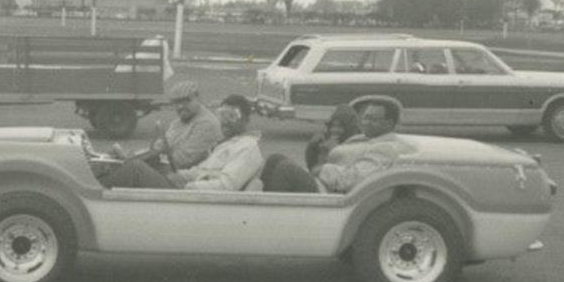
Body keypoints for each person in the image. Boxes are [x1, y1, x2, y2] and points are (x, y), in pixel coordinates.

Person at [101, 94, 263, 191]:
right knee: (141, 165)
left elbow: (226, 185)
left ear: (246, 120)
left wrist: (187, 185)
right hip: (188, 188)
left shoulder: (248, 148)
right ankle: (108, 173)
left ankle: (97, 192)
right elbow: (201, 171)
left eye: (232, 116)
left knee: (136, 169)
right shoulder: (227, 144)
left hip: (191, 197)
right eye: (222, 115)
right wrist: (179, 176)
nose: (225, 121)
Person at [260, 100, 409, 194]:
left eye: (373, 119)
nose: (366, 123)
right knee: (275, 159)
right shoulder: (365, 138)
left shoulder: (385, 149)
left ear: (389, 123)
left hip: (334, 194)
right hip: (326, 183)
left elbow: (353, 180)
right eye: (365, 118)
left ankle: (268, 217)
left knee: (286, 169)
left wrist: (322, 169)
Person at [110, 80, 221, 171]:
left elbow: (182, 160)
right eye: (177, 102)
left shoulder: (207, 123)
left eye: (186, 101)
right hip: (171, 170)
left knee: (130, 172)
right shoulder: (178, 123)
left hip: (188, 177)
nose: (181, 106)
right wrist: (131, 157)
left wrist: (143, 162)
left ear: (198, 98)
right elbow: (158, 148)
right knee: (118, 168)